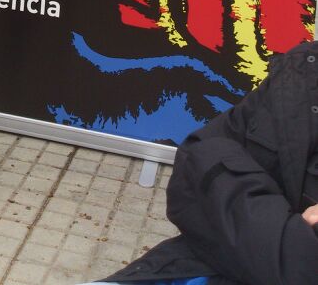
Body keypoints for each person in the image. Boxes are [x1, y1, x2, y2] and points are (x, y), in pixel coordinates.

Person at [96, 39, 318, 285]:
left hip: (216, 256)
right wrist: (290, 237)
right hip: (185, 269)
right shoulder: (304, 69)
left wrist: (232, 205)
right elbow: (194, 161)